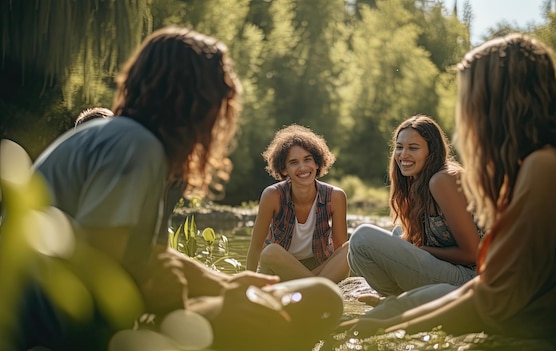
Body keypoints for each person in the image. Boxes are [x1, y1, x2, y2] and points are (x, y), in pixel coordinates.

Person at [12, 26, 343, 351]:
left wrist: (225, 284)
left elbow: (151, 256)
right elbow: (102, 271)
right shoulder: (134, 144)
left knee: (317, 296)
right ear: (193, 98)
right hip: (56, 329)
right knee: (303, 307)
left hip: (81, 319)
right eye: (219, 99)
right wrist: (178, 303)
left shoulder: (130, 141)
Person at [337, 33, 556, 347]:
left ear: (502, 100)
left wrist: (395, 321)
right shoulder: (548, 163)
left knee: (388, 314)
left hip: (538, 328)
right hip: (527, 316)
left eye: (471, 99)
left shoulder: (544, 168)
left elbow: (492, 293)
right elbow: (494, 285)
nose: (466, 114)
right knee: (392, 310)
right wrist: (395, 315)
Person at [347, 115, 483, 316]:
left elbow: (472, 253)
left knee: (362, 238)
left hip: (470, 278)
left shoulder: (442, 179)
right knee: (394, 234)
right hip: (449, 272)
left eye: (413, 148)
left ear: (432, 152)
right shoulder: (417, 183)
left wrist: (419, 249)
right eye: (399, 147)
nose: (403, 154)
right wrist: (413, 246)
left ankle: (402, 302)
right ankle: (403, 301)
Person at [246, 124, 350, 283]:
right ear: (284, 169)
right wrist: (247, 286)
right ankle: (318, 286)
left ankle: (313, 285)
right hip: (279, 268)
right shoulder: (272, 195)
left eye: (308, 159)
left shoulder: (335, 197)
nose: (302, 167)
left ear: (317, 163)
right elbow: (255, 248)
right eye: (294, 162)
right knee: (269, 252)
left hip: (318, 266)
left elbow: (339, 250)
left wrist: (337, 272)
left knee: (352, 247)